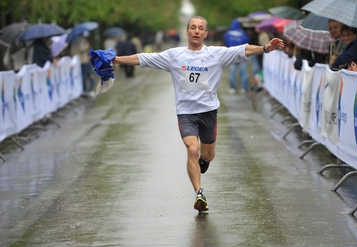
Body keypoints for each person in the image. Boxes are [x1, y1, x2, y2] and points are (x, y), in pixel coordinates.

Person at [107, 16, 283, 212]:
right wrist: (114, 59)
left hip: (208, 112)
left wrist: (265, 48)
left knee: (208, 156)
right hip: (186, 113)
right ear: (187, 32)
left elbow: (243, 49)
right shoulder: (174, 55)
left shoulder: (215, 54)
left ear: (205, 34)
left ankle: (203, 162)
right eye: (193, 27)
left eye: (200, 28)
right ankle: (199, 194)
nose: (197, 31)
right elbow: (144, 59)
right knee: (192, 150)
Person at [224, 18, 250, 94]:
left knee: (232, 72)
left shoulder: (228, 33)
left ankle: (232, 88)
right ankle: (244, 88)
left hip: (231, 56)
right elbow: (247, 42)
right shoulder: (243, 33)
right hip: (242, 56)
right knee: (244, 72)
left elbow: (225, 42)